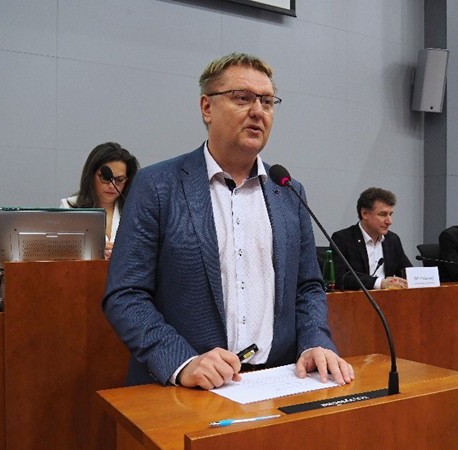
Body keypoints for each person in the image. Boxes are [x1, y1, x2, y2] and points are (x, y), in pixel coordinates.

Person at [102, 53, 354, 390]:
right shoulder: (158, 186)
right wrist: (181, 361)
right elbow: (126, 294)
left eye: (267, 101)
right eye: (242, 98)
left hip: (276, 382)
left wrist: (314, 342)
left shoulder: (288, 191)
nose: (258, 111)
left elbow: (308, 286)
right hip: (186, 389)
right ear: (207, 107)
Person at [61, 142, 139, 259]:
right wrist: (89, 252)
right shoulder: (69, 208)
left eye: (119, 180)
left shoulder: (135, 211)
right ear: (91, 175)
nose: (112, 186)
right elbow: (57, 253)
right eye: (105, 178)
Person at [331, 187, 412, 290]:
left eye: (390, 214)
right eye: (383, 214)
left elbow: (407, 271)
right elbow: (340, 277)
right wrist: (380, 283)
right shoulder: (343, 239)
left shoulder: (392, 240)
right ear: (364, 214)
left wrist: (421, 278)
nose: (389, 221)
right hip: (357, 298)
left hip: (389, 298)